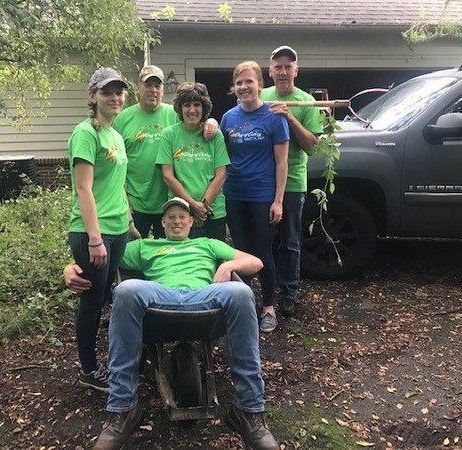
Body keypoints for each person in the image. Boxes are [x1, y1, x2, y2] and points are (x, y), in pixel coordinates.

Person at [65, 197, 279, 450]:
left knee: (241, 292)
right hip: (160, 299)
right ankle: (122, 410)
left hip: (205, 297)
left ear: (191, 222)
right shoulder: (144, 246)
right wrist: (71, 267)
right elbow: (101, 261)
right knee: (126, 289)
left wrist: (229, 265)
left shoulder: (208, 244)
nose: (177, 221)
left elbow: (256, 262)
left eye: (182, 217)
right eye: (171, 217)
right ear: (162, 222)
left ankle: (249, 410)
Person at [67, 67, 136, 392]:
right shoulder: (86, 133)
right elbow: (84, 189)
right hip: (94, 233)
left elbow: (117, 185)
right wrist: (95, 239)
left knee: (106, 295)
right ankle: (89, 370)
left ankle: (107, 359)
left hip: (118, 228)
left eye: (119, 91)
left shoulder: (115, 135)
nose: (115, 97)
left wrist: (130, 223)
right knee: (93, 301)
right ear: (93, 96)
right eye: (108, 92)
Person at [220, 61, 289, 333]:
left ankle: (269, 307)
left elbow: (281, 163)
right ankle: (245, 305)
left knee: (262, 252)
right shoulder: (229, 118)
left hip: (262, 195)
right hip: (235, 194)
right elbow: (220, 156)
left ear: (260, 84)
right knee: (240, 252)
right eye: (239, 83)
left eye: (249, 81)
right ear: (234, 88)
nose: (244, 87)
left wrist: (278, 200)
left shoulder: (274, 117)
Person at [113, 66, 219, 239]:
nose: (152, 90)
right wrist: (124, 202)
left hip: (171, 203)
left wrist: (212, 121)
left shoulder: (174, 114)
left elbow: (197, 120)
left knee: (167, 257)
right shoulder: (122, 120)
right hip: (136, 203)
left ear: (162, 89)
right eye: (148, 85)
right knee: (132, 257)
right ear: (138, 87)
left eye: (157, 86)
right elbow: (115, 165)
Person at [262, 45, 323, 318]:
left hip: (293, 182)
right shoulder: (260, 96)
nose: (283, 71)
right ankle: (264, 291)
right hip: (262, 181)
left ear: (296, 70)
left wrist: (288, 116)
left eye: (289, 66)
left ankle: (288, 292)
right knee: (264, 239)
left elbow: (311, 146)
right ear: (270, 71)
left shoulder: (306, 101)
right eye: (278, 66)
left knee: (290, 241)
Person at [156, 82, 230, 241]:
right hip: (181, 213)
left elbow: (221, 174)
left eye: (197, 105)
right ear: (180, 108)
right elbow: (168, 176)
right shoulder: (168, 135)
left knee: (215, 261)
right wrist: (191, 206)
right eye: (187, 105)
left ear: (204, 107)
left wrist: (203, 206)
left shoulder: (215, 135)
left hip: (213, 211)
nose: (192, 110)